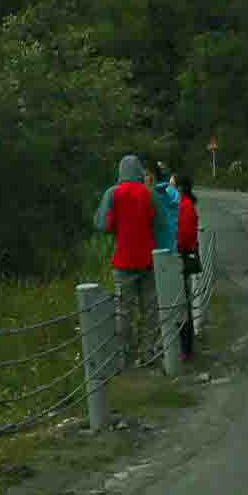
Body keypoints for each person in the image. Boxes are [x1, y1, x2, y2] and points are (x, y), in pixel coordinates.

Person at [98, 156, 157, 369]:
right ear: (139, 170)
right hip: (148, 259)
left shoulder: (113, 193)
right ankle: (147, 351)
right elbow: (156, 221)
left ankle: (123, 355)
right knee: (149, 309)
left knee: (123, 310)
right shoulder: (147, 193)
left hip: (123, 260)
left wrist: (118, 227)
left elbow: (103, 225)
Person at [174, 176, 203, 360]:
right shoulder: (186, 205)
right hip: (184, 254)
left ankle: (186, 348)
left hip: (181, 257)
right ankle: (186, 347)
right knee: (183, 301)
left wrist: (176, 247)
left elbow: (184, 235)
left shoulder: (184, 206)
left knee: (181, 302)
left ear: (180, 187)